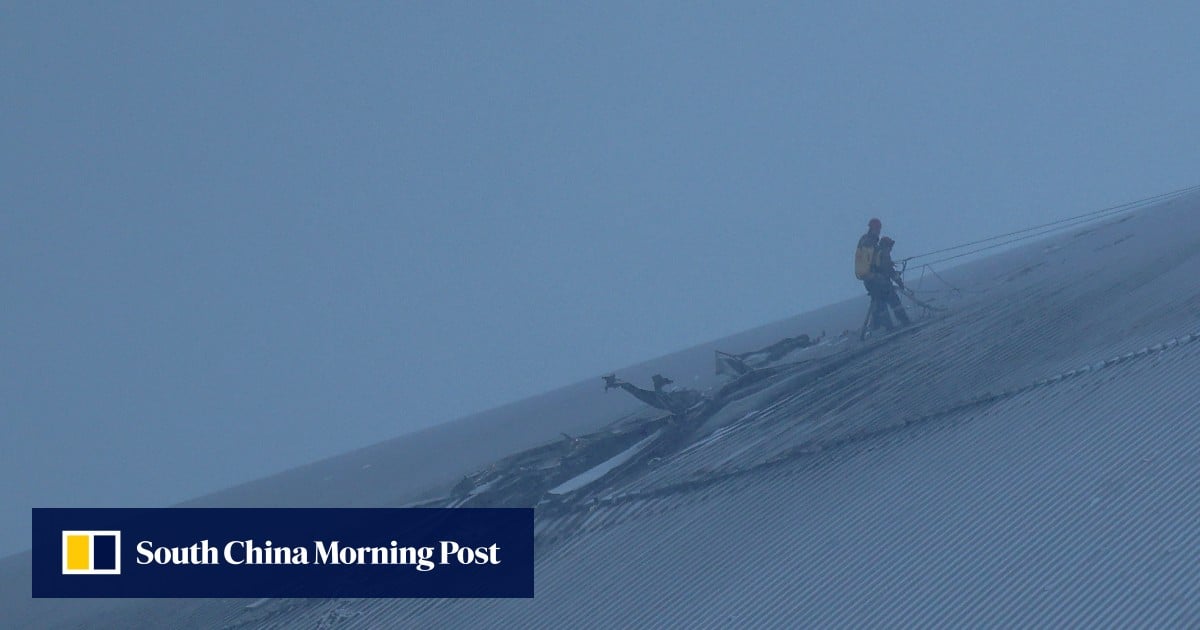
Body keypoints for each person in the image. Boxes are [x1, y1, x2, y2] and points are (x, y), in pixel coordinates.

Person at [865, 236, 911, 331]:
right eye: (890, 246)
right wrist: (900, 283)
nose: (891, 249)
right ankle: (905, 322)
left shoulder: (874, 255)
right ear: (886, 246)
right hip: (883, 286)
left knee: (881, 308)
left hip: (873, 287)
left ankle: (887, 327)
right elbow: (890, 271)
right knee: (895, 304)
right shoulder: (884, 255)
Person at [855, 218, 882, 287]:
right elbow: (871, 258)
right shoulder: (869, 241)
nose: (879, 231)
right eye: (877, 229)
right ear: (872, 228)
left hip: (868, 277)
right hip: (872, 276)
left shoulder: (865, 240)